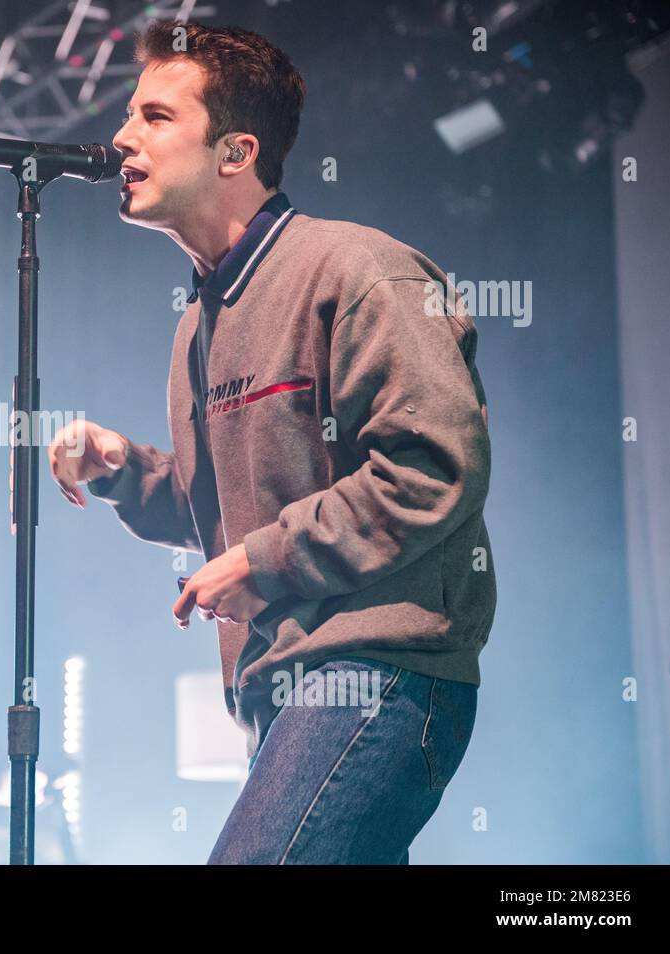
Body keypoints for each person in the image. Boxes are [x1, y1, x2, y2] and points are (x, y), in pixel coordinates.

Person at [47, 21, 495, 864]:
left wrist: (260, 560)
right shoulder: (196, 328)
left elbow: (433, 467)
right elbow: (220, 505)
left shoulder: (360, 271)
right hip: (279, 695)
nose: (121, 138)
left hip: (376, 673)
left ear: (235, 150)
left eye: (154, 117)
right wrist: (122, 471)